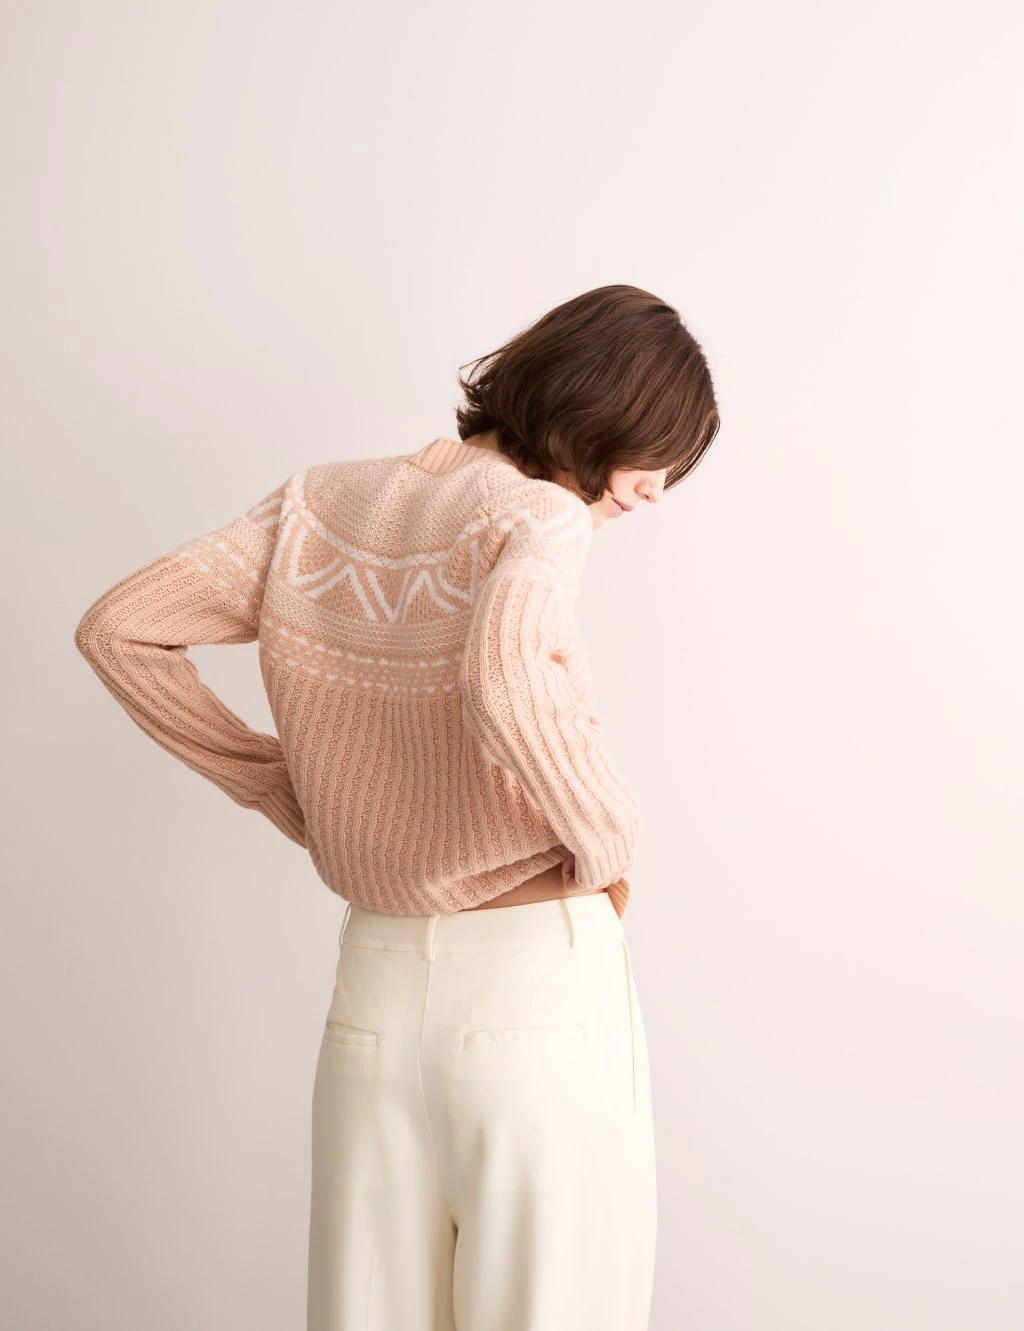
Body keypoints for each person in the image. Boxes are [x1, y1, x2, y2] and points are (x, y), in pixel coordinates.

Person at [73, 282, 720, 1330]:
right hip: (535, 985)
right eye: (659, 457)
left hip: (372, 993)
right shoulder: (540, 515)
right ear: (603, 407)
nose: (653, 492)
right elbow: (506, 676)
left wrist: (283, 785)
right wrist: (609, 839)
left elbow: (120, 627)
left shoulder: (316, 504)